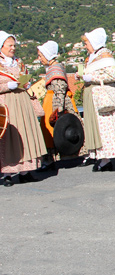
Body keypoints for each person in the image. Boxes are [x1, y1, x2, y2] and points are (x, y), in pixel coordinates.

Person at [79, 28, 115, 174]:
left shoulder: (105, 55)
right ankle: (104, 159)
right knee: (100, 129)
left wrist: (91, 78)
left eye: (87, 43)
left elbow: (111, 74)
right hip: (94, 97)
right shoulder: (93, 57)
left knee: (113, 127)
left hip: (105, 97)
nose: (85, 46)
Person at [0, 32, 47, 186]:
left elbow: (26, 79)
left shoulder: (18, 63)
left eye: (14, 45)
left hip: (22, 101)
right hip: (7, 103)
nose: (13, 48)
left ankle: (26, 171)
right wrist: (7, 86)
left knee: (24, 135)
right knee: (9, 137)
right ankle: (7, 173)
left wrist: (26, 84)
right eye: (10, 45)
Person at [37, 40, 80, 169]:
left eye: (41, 55)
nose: (39, 59)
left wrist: (58, 110)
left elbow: (59, 90)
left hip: (54, 103)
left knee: (50, 129)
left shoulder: (55, 69)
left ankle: (50, 159)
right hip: (51, 101)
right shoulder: (54, 67)